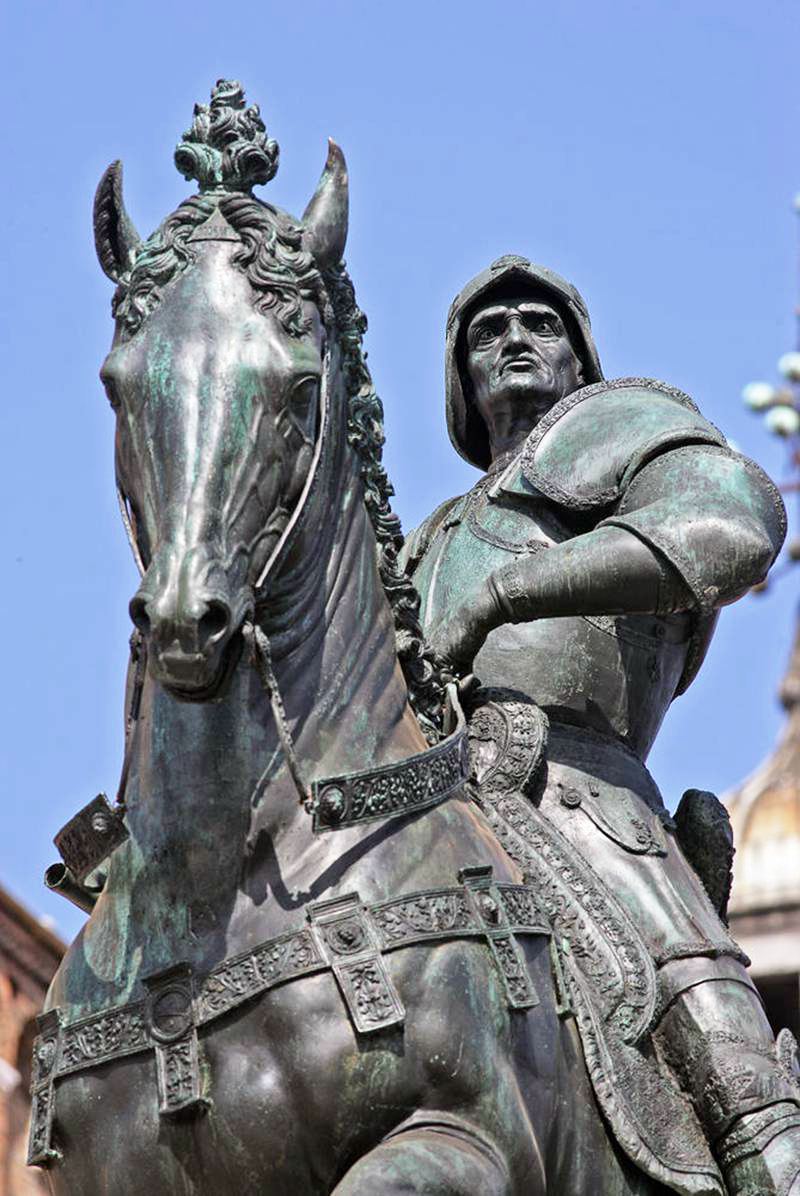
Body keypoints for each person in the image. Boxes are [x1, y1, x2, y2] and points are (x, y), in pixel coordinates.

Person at [401, 254, 800, 1195]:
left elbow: (738, 525)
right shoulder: (424, 540)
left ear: (583, 365)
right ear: (461, 381)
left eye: (539, 324)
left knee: (739, 1081)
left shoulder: (638, 451)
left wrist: (504, 595)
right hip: (428, 810)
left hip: (585, 803)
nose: (511, 341)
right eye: (485, 334)